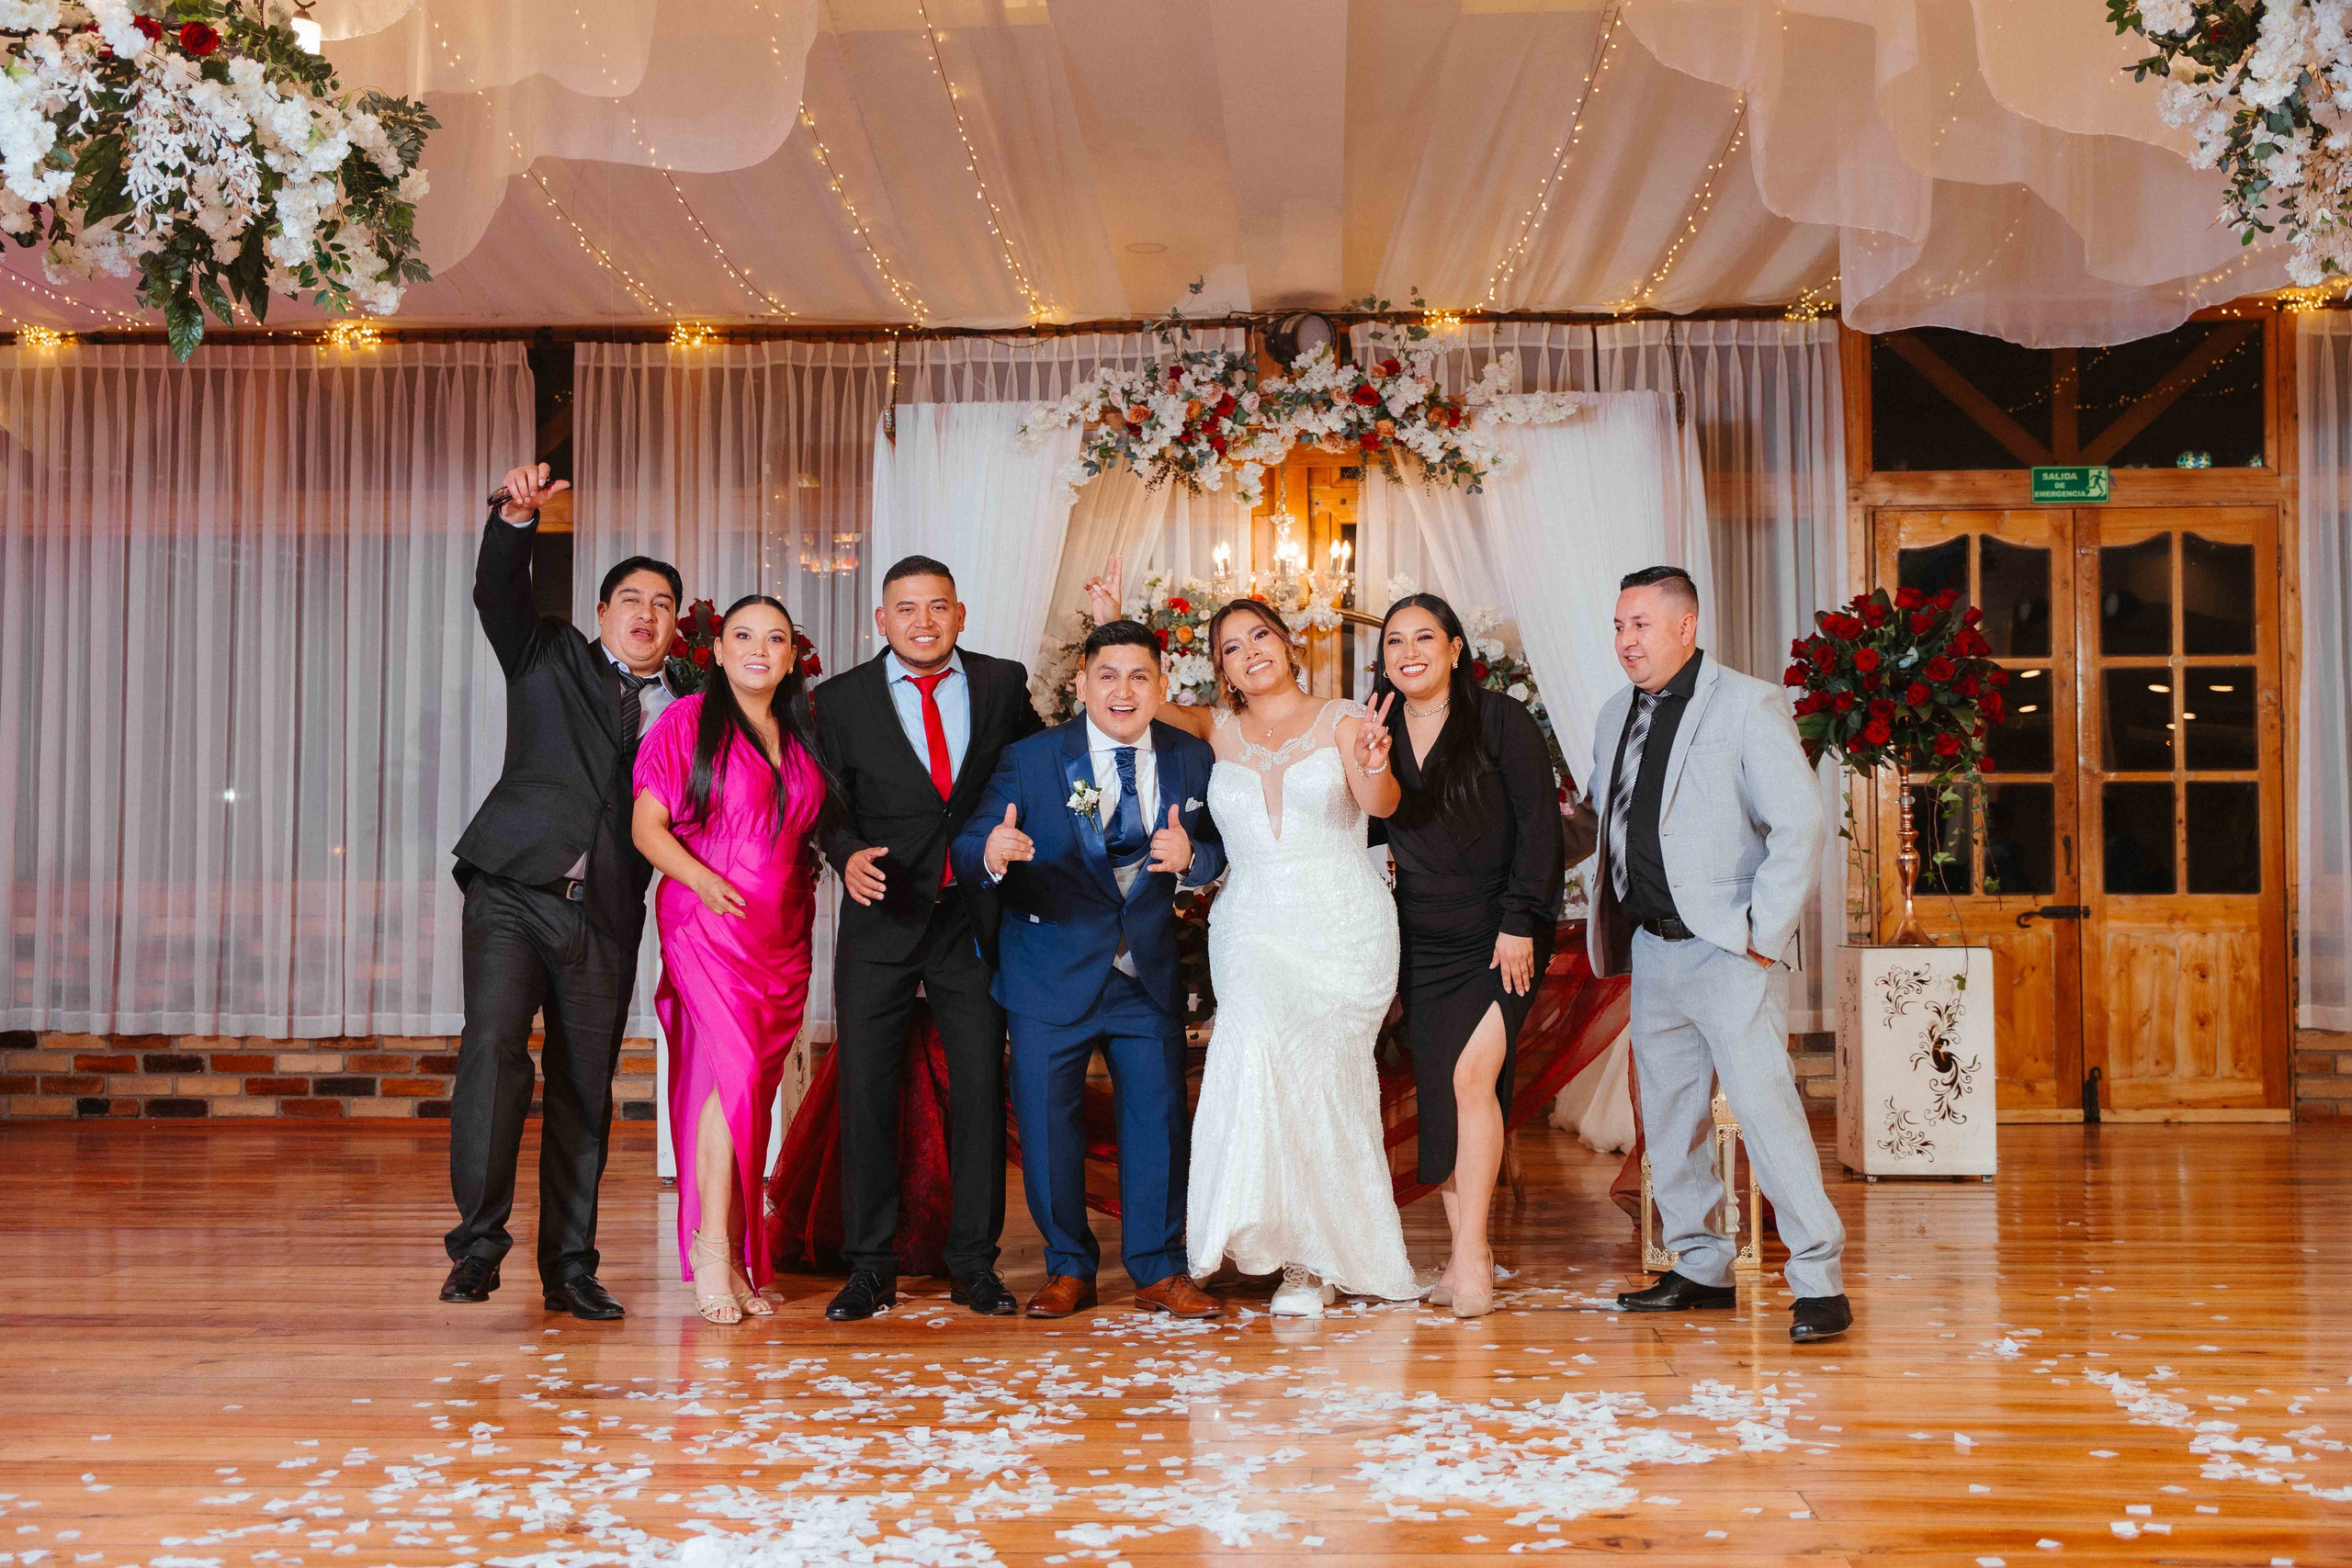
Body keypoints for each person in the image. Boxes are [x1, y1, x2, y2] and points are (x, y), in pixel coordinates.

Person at [441, 462, 679, 1321]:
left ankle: (570, 1267)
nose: (646, 614)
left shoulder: (690, 703)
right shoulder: (543, 652)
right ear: (605, 611)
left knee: (587, 1086)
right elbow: (497, 586)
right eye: (632, 600)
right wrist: (513, 519)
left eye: (661, 605)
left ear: (674, 626)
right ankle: (478, 1245)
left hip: (609, 914)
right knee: (496, 1049)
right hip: (512, 887)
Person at [1586, 565, 1849, 1344]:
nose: (1626, 640)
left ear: (1684, 625)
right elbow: (1610, 820)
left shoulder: (1746, 703)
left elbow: (1798, 827)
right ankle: (1699, 1266)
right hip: (1651, 949)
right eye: (1619, 625)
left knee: (1768, 1114)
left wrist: (1760, 939)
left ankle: (1818, 1279)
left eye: (1640, 624)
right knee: (1670, 1122)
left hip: (1728, 948)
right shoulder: (1611, 716)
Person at [950, 620, 1227, 1320]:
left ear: (1163, 686)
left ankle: (1159, 1268)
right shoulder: (1031, 758)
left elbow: (1222, 850)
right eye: (1108, 675)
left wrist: (1192, 860)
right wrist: (993, 849)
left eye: (1140, 677)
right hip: (1049, 971)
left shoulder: (1193, 759)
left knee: (1160, 1122)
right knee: (1047, 1127)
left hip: (1145, 975)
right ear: (1082, 683)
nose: (1123, 690)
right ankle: (1069, 1266)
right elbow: (967, 841)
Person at [815, 556, 1043, 1323]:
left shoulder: (1003, 682)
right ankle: (870, 1266)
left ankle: (973, 1263)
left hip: (972, 915)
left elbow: (1036, 769)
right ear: (882, 620)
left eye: (936, 606)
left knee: (980, 1090)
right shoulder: (838, 699)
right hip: (881, 908)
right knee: (867, 1091)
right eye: (905, 608)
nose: (922, 621)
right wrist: (844, 854)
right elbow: (826, 802)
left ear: (960, 613)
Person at [1179, 597, 1419, 1316]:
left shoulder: (1345, 719)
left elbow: (1382, 803)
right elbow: (1129, 697)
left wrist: (1375, 763)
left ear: (1287, 645)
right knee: (1253, 1054)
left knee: (1323, 1077)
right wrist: (1104, 619)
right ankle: (1261, 1237)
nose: (1249, 651)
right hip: (1250, 924)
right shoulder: (1214, 727)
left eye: (1260, 635)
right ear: (1220, 669)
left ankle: (1312, 1265)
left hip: (1343, 925)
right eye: (1230, 647)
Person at [631, 596, 829, 1325]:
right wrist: (701, 878)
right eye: (743, 635)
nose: (758, 648)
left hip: (782, 934)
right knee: (731, 1083)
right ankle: (713, 1247)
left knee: (749, 1092)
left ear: (789, 656)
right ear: (717, 650)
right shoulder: (686, 721)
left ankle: (738, 1254)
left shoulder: (803, 731)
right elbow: (645, 826)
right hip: (707, 920)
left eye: (774, 638)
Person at [1371, 593, 1564, 1320]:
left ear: (1456, 648)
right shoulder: (1376, 726)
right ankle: (1465, 1253)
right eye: (1396, 641)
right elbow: (1367, 825)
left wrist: (1520, 919)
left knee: (1471, 1074)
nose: (1409, 650)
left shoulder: (1499, 720)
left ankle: (1473, 1254)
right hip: (1420, 934)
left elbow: (1539, 829)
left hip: (1499, 930)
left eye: (1426, 636)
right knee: (1443, 1089)